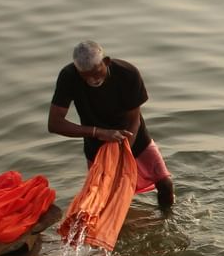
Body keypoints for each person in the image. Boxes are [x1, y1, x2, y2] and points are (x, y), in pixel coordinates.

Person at [47, 40, 175, 210]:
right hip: (97, 147)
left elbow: (134, 120)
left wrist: (123, 155)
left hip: (134, 137)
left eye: (96, 72)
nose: (93, 79)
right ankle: (114, 231)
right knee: (106, 199)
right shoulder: (69, 77)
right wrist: (98, 132)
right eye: (85, 76)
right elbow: (55, 124)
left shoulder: (128, 74)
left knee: (165, 184)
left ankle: (166, 220)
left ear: (106, 61)